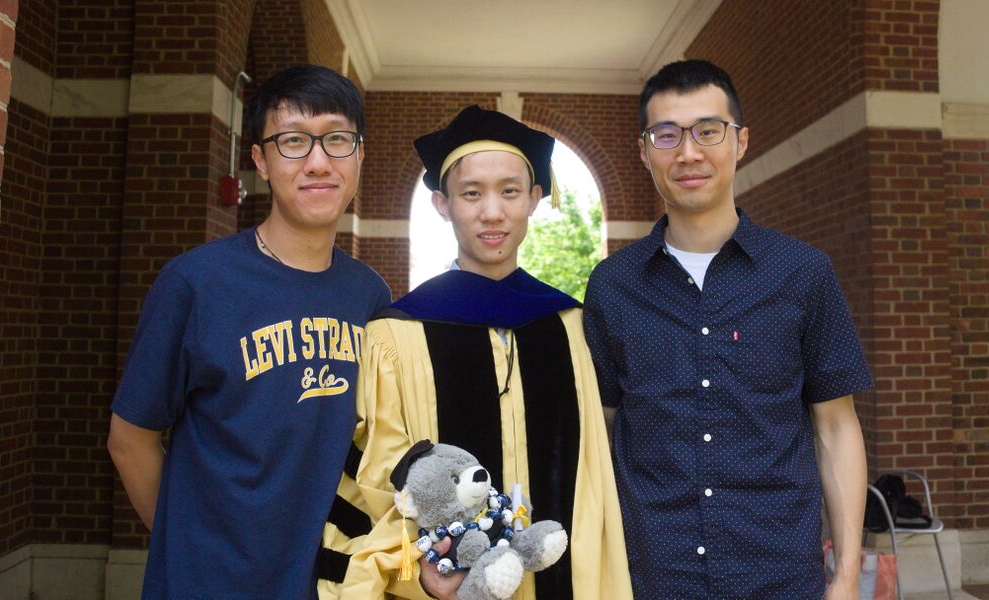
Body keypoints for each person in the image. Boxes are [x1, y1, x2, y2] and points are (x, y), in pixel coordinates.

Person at [316, 105, 632, 600]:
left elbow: (595, 484)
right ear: (442, 204)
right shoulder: (397, 335)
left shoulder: (569, 327)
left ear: (534, 199)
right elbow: (379, 480)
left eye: (509, 191)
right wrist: (417, 570)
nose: (492, 211)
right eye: (471, 193)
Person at [583, 59, 872, 600]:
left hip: (782, 576)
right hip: (652, 577)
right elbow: (600, 431)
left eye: (708, 131)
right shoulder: (611, 286)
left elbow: (836, 428)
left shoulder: (803, 273)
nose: (688, 153)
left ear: (740, 141)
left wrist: (848, 576)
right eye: (666, 135)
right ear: (644, 151)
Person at [107, 64, 391, 600]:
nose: (317, 163)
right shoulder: (195, 283)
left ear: (358, 154)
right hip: (211, 583)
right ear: (260, 160)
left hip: (330, 583)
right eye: (292, 142)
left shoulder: (370, 295)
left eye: (336, 140)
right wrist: (188, 546)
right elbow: (130, 441)